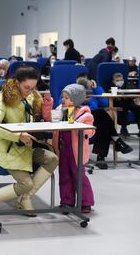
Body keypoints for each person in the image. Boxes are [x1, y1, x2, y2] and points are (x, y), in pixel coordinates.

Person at [0, 66, 57, 216]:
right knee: (26, 184)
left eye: (33, 87)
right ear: (17, 83)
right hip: (6, 148)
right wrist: (17, 136)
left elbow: (44, 119)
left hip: (26, 146)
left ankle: (25, 198)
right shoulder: (3, 98)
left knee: (52, 159)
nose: (30, 91)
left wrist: (46, 104)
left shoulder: (32, 97)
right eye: (26, 87)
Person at [51, 84, 95, 213]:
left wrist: (84, 130)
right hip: (63, 148)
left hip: (77, 151)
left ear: (76, 100)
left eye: (67, 98)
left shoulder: (85, 114)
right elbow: (51, 117)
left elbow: (89, 131)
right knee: (64, 175)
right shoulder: (61, 111)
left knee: (79, 176)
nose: (63, 100)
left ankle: (86, 202)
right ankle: (66, 201)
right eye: (63, 97)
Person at [74, 74, 132, 170]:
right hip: (80, 115)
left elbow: (105, 103)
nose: (85, 83)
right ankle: (116, 141)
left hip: (95, 118)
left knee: (102, 124)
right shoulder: (72, 90)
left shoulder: (95, 89)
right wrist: (82, 101)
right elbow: (63, 103)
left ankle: (101, 157)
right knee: (102, 115)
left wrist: (96, 89)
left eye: (86, 81)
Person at [109, 72, 140, 138]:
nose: (120, 82)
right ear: (113, 81)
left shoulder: (126, 84)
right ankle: (124, 129)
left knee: (138, 108)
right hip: (117, 103)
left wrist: (127, 96)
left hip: (128, 102)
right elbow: (112, 96)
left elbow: (131, 94)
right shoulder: (111, 86)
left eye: (121, 80)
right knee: (124, 107)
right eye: (117, 80)